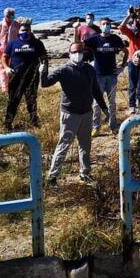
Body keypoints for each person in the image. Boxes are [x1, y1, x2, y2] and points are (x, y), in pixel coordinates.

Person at [42, 42, 109, 185]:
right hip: (70, 114)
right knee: (63, 144)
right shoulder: (63, 70)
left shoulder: (89, 69)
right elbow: (45, 83)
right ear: (69, 53)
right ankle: (52, 177)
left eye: (80, 52)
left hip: (86, 112)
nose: (77, 54)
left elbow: (96, 90)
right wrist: (43, 71)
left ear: (84, 53)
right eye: (74, 52)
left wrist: (104, 108)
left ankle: (85, 174)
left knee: (85, 146)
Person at [84, 18, 127, 134]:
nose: (106, 26)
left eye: (108, 24)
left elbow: (125, 51)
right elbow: (80, 44)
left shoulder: (115, 38)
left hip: (112, 75)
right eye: (104, 24)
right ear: (100, 25)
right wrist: (76, 29)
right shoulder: (95, 39)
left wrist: (122, 65)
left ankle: (113, 126)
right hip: (98, 75)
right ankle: (96, 127)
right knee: (97, 102)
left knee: (112, 102)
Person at [4, 22, 47, 129]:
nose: (25, 32)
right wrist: (6, 67)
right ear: (19, 31)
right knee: (13, 100)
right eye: (23, 30)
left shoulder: (37, 43)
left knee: (31, 100)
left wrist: (44, 67)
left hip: (32, 77)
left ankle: (34, 122)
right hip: (15, 76)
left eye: (27, 30)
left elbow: (44, 57)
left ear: (30, 31)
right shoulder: (13, 43)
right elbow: (4, 57)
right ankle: (8, 123)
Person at [119, 6, 140, 110]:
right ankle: (132, 105)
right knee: (132, 83)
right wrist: (129, 16)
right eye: (137, 12)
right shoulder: (132, 32)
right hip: (132, 60)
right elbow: (121, 27)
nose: (138, 14)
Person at [0, 7, 20, 92]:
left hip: (14, 50)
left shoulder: (16, 24)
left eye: (13, 16)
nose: (11, 18)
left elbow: (20, 36)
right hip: (2, 51)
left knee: (14, 68)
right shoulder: (0, 25)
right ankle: (5, 89)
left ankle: (14, 87)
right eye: (9, 16)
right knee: (3, 69)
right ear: (5, 16)